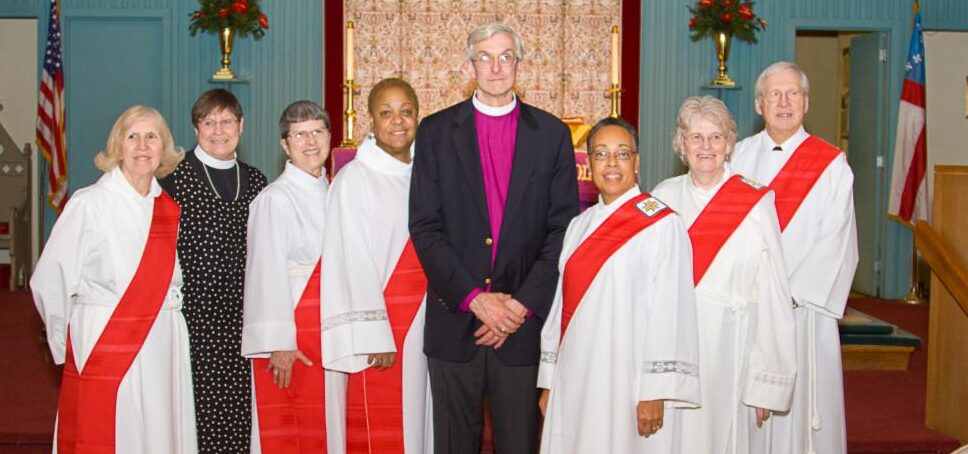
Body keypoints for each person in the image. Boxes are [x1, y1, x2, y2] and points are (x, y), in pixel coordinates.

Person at [409, 22, 580, 453]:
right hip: (454, 322)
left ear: (519, 65)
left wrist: (519, 305)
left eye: (505, 57)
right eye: (485, 58)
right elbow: (425, 226)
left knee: (520, 444)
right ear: (470, 66)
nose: (496, 67)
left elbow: (562, 228)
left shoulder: (552, 134)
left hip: (522, 328)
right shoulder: (435, 132)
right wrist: (475, 299)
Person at [31, 106, 196, 453]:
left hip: (161, 340)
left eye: (152, 137)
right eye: (132, 136)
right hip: (106, 335)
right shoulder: (90, 203)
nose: (142, 146)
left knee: (157, 429)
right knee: (112, 429)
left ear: (164, 148)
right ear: (118, 146)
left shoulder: (167, 208)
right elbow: (49, 279)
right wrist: (66, 341)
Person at [537, 117, 700, 453]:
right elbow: (559, 310)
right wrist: (549, 381)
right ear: (589, 164)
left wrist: (654, 390)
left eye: (622, 154)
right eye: (601, 154)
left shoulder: (662, 224)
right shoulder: (578, 226)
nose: (611, 163)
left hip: (629, 381)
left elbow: (671, 311)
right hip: (576, 375)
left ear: (636, 162)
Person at [652, 96, 797, 454]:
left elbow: (774, 292)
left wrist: (766, 381)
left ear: (729, 143)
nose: (706, 146)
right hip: (676, 344)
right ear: (682, 144)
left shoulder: (755, 201)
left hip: (734, 348)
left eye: (716, 137)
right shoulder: (662, 198)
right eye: (696, 137)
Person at [731, 62, 859, 454]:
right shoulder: (736, 157)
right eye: (774, 94)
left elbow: (837, 241)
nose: (784, 102)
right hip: (747, 306)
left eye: (793, 94)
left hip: (802, 310)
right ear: (759, 104)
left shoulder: (831, 165)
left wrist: (787, 296)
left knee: (800, 416)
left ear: (806, 103)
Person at [322, 78, 432, 453]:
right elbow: (350, 259)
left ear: (418, 116)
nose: (397, 121)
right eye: (386, 112)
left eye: (406, 111)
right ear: (371, 119)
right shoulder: (355, 179)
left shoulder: (427, 175)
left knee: (419, 427)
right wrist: (374, 335)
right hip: (385, 331)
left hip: (425, 328)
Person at [160, 88, 269, 453]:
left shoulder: (256, 182)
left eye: (227, 121)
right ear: (196, 128)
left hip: (241, 320)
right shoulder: (173, 179)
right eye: (209, 122)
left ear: (241, 125)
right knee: (196, 416)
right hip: (193, 320)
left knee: (239, 415)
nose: (218, 131)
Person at [242, 100, 346, 453]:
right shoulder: (275, 199)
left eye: (318, 132)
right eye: (300, 135)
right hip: (295, 333)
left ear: (330, 137)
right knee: (294, 428)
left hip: (330, 329)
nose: (311, 142)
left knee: (330, 424)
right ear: (285, 145)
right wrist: (279, 342)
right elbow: (264, 273)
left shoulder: (337, 193)